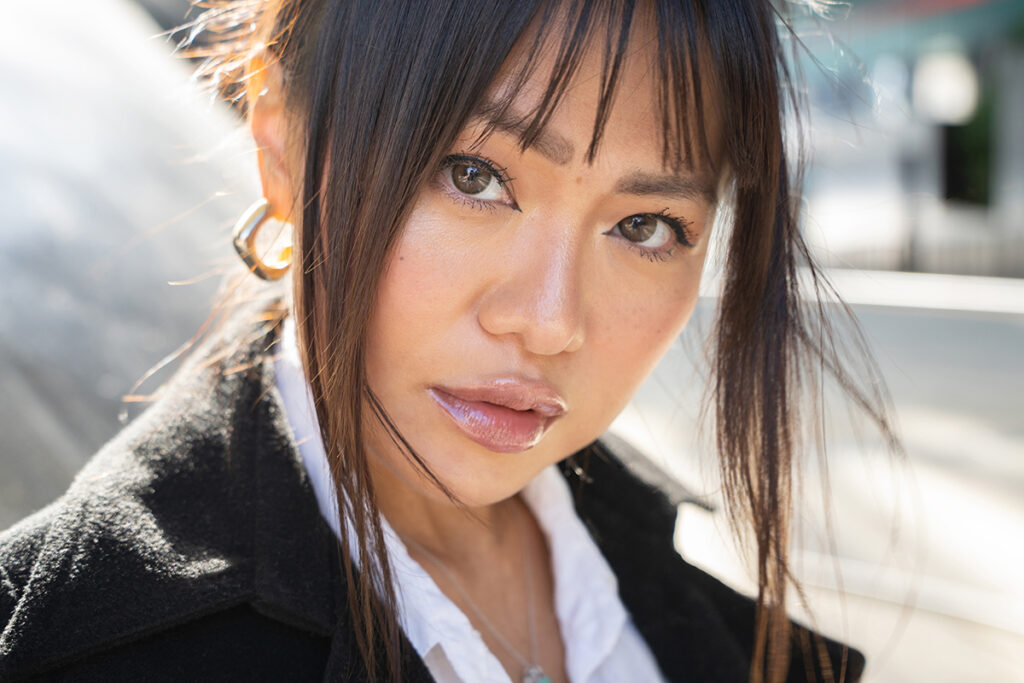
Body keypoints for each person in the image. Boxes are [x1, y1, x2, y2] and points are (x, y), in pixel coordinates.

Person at [0, 1, 895, 681]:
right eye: (474, 175)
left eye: (648, 225)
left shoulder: (668, 591)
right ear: (280, 146)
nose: (549, 321)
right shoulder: (78, 641)